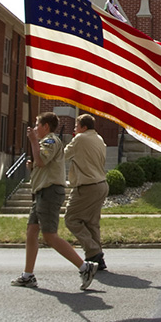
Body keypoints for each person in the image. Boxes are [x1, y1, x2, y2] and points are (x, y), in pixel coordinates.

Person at [11, 113, 98, 290]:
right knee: (31, 232)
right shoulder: (45, 142)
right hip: (42, 192)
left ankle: (85, 267)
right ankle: (28, 275)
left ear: (46, 127)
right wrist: (32, 164)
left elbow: (42, 161)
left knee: (49, 236)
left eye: (37, 125)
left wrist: (33, 141)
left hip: (49, 192)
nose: (35, 128)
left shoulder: (50, 141)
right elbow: (40, 163)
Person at [64, 113, 110, 271]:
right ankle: (98, 260)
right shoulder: (100, 139)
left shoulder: (80, 139)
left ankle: (93, 252)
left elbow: (63, 155)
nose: (74, 130)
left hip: (87, 186)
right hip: (101, 184)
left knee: (71, 219)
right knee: (92, 223)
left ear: (83, 127)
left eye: (76, 126)